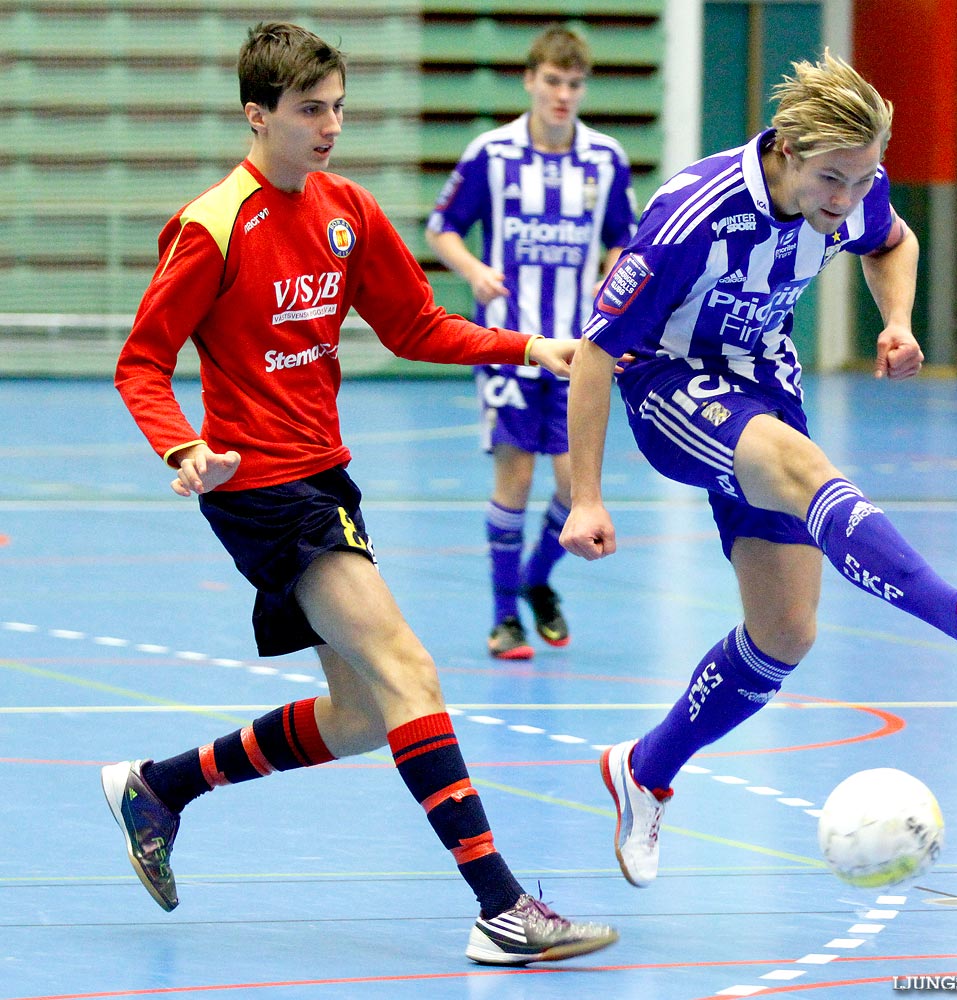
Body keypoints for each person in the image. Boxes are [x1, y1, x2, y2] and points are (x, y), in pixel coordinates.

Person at [102, 21, 618, 965]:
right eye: (309, 111)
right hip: (260, 488)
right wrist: (181, 446)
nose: (329, 126)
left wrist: (523, 344)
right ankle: (501, 907)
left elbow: (415, 324)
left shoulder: (347, 210)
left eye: (338, 107)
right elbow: (142, 360)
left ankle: (160, 786)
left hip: (325, 477)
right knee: (409, 672)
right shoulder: (212, 224)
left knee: (359, 715)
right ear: (256, 116)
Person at [559, 51, 957, 888]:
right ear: (782, 149)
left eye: (862, 178)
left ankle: (642, 770)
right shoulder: (688, 214)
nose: (845, 199)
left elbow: (893, 239)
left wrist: (896, 319)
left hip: (762, 381)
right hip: (671, 385)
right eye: (830, 180)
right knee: (806, 469)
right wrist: (585, 496)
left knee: (784, 632)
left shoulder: (852, 190)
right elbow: (596, 352)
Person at [425, 24, 636, 661]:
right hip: (511, 343)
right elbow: (443, 227)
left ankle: (538, 578)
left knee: (576, 489)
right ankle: (502, 618)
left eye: (574, 84)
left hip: (580, 348)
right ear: (529, 81)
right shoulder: (491, 153)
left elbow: (626, 240)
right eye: (552, 81)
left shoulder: (605, 159)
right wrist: (474, 271)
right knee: (514, 479)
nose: (563, 94)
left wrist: (616, 268)